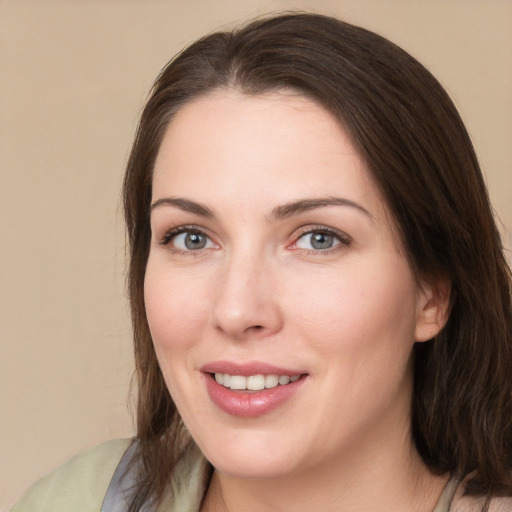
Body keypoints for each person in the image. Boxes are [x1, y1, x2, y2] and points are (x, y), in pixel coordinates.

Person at [12, 12, 512, 512]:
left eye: (318, 239)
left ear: (433, 293)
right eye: (190, 238)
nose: (235, 309)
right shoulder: (74, 500)